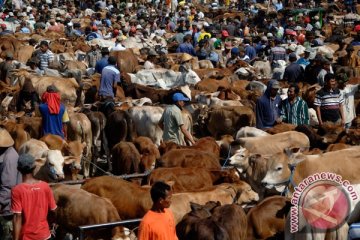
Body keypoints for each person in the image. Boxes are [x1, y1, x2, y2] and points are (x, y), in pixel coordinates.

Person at [11, 154, 57, 240]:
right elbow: (53, 210)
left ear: (18, 169)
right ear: (34, 167)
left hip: (26, 237)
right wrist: (50, 225)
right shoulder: (45, 186)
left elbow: (17, 217)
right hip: (44, 235)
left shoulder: (17, 190)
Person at [0, 128, 20, 240]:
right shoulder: (4, 153)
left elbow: (7, 187)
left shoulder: (9, 159)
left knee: (6, 233)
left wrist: (0, 203)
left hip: (7, 207)